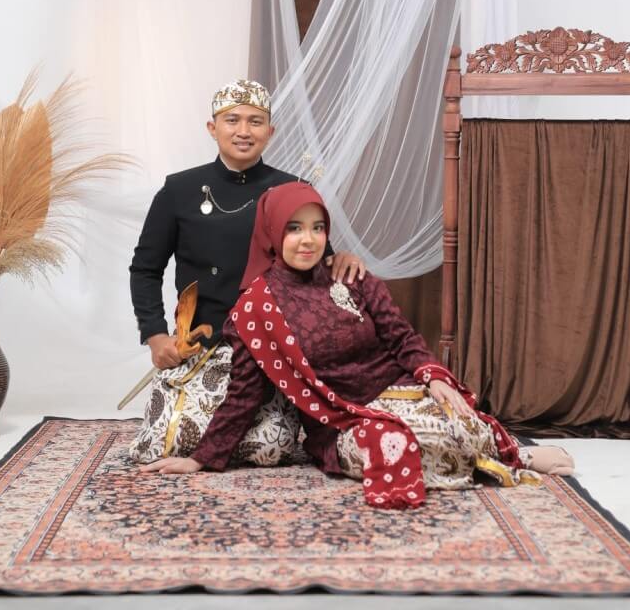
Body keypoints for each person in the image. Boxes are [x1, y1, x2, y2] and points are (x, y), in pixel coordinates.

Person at [141, 182, 575, 509]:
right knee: (396, 443)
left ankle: (513, 455)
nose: (308, 240)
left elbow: (401, 337)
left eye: (317, 228)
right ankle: (492, 460)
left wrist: (433, 378)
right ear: (272, 232)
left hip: (401, 392)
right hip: (342, 423)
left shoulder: (350, 277)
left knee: (460, 419)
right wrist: (201, 459)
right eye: (294, 228)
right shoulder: (255, 310)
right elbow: (244, 395)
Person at [130, 80, 365, 368]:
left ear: (270, 132)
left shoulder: (294, 189)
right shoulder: (178, 190)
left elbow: (318, 264)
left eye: (255, 121)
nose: (244, 131)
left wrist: (340, 260)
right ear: (212, 128)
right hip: (200, 345)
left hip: (280, 346)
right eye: (232, 120)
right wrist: (155, 335)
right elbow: (145, 269)